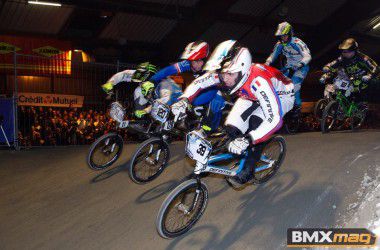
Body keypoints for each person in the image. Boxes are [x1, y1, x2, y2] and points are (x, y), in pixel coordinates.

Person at [172, 41, 295, 187]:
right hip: (250, 94)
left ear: (242, 70)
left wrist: (248, 139)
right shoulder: (229, 72)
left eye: (230, 74)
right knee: (231, 127)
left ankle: (248, 170)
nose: (225, 79)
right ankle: (241, 152)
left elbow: (274, 119)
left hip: (281, 96)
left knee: (256, 124)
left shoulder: (259, 81)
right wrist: (184, 100)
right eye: (223, 74)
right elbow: (199, 83)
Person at [146, 40, 226, 132]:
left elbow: (214, 88)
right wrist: (152, 81)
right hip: (195, 85)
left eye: (196, 61)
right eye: (191, 61)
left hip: (215, 88)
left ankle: (210, 128)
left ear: (205, 59)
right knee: (173, 80)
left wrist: (191, 100)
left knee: (217, 99)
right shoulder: (189, 63)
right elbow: (167, 71)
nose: (193, 64)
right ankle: (171, 113)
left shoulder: (214, 67)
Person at [265, 21, 311, 114]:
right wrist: (267, 62)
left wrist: (300, 64)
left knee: (294, 85)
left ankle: (298, 107)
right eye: (281, 36)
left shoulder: (297, 43)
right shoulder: (280, 44)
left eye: (285, 35)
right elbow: (273, 55)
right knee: (276, 82)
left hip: (301, 67)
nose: (283, 38)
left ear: (290, 34)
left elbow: (308, 56)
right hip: (289, 66)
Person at [322, 38, 378, 103]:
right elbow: (334, 63)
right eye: (343, 51)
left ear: (354, 50)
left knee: (366, 96)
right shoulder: (342, 58)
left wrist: (370, 76)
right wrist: (327, 67)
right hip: (352, 82)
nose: (344, 54)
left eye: (346, 52)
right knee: (344, 97)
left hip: (364, 82)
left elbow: (376, 67)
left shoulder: (363, 58)